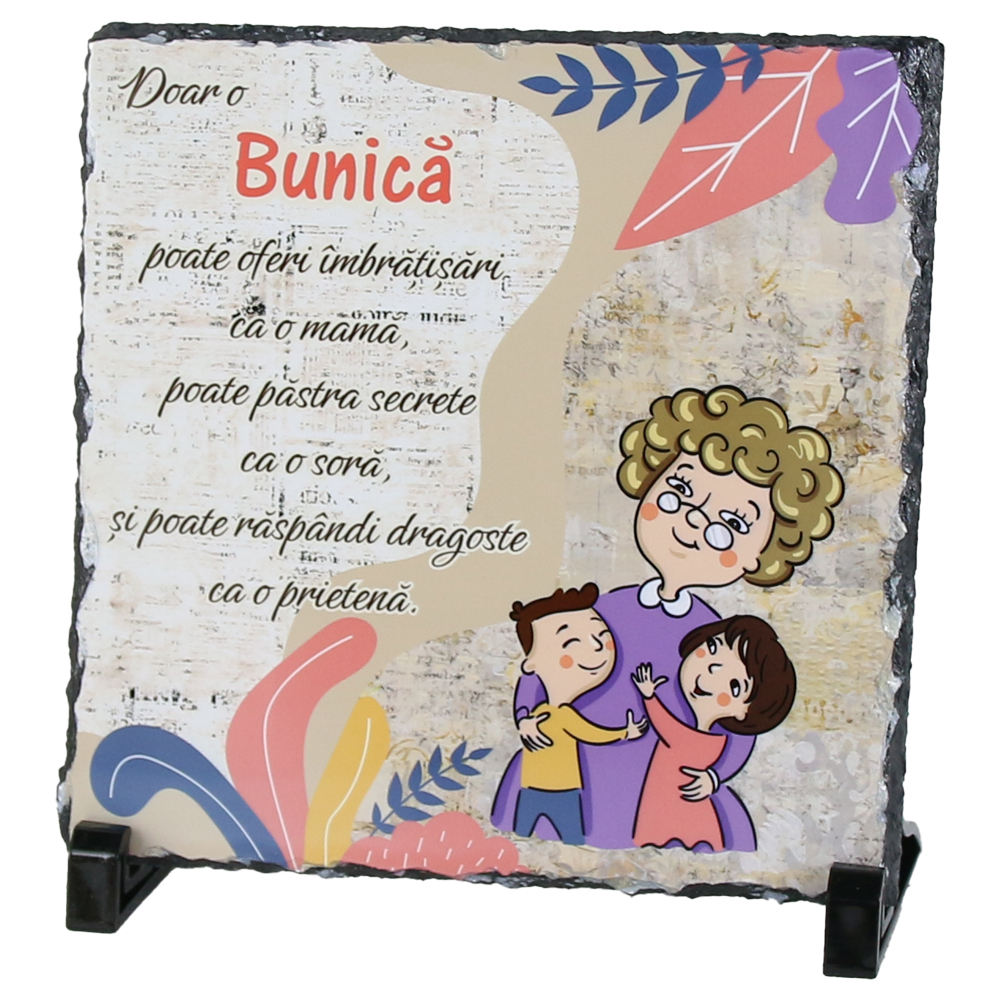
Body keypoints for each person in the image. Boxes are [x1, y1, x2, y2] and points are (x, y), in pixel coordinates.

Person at [491, 385, 843, 850]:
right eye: (679, 492)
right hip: (570, 776)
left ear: (760, 555)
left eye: (731, 525)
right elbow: (541, 661)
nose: (694, 523)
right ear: (649, 480)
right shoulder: (603, 609)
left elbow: (741, 727)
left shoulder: (721, 641)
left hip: (666, 795)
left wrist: (716, 776)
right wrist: (525, 717)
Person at [631, 615, 796, 851]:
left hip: (674, 804)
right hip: (673, 800)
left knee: (666, 836)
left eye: (734, 685)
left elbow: (664, 723)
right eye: (712, 647)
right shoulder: (715, 741)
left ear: (744, 711)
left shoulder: (695, 739)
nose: (713, 669)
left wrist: (648, 695)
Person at [500, 584, 646, 845]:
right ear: (531, 663)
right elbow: (594, 734)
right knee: (565, 837)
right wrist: (626, 732)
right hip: (561, 790)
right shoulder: (557, 714)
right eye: (571, 642)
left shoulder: (547, 712)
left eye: (601, 636)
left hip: (534, 787)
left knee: (524, 835)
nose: (597, 647)